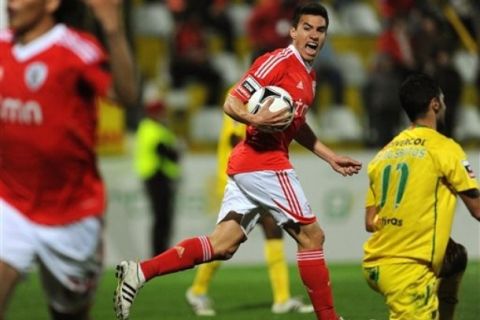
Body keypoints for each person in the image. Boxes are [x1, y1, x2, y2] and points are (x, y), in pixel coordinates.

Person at [114, 3, 361, 320]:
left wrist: (330, 156)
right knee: (312, 237)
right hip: (264, 161)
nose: (314, 35)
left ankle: (138, 272)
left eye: (320, 29)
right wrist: (254, 118)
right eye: (308, 28)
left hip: (252, 165)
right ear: (293, 31)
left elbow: (297, 125)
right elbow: (231, 101)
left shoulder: (309, 77)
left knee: (222, 245)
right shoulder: (277, 61)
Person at [0, 0, 138, 319]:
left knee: (69, 313)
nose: (11, 4)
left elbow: (126, 95)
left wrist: (114, 30)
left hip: (71, 214)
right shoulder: (3, 46)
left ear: (51, 4)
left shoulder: (76, 49)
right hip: (11, 201)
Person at [362, 73, 480, 319]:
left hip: (376, 264)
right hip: (408, 269)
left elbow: (370, 222)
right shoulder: (445, 148)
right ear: (435, 104)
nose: (445, 106)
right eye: (443, 101)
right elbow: (478, 210)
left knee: (454, 259)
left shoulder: (383, 154)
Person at [185, 113, 313, 316]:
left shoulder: (252, 94)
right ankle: (197, 290)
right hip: (242, 178)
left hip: (254, 174)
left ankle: (281, 299)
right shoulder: (242, 97)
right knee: (226, 242)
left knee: (271, 230)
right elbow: (234, 138)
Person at [134, 99, 181, 255]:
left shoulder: (150, 127)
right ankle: (159, 253)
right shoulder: (151, 128)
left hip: (157, 176)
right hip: (156, 176)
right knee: (162, 218)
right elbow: (163, 151)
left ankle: (160, 253)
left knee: (163, 218)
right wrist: (175, 153)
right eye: (160, 111)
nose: (163, 114)